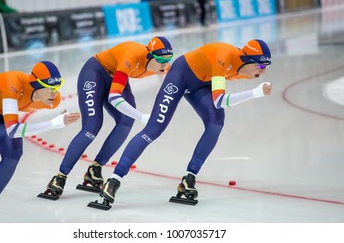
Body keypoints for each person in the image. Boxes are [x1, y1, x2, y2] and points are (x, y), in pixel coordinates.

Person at [95, 39, 273, 208]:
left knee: (215, 123)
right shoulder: (223, 57)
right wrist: (255, 93)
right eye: (260, 66)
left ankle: (189, 178)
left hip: (202, 83)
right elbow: (219, 101)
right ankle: (114, 180)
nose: (262, 71)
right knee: (153, 129)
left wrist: (255, 88)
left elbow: (217, 99)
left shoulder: (246, 72)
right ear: (246, 60)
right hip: (180, 76)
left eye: (266, 67)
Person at [40, 36, 174, 200]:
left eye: (168, 60)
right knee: (92, 128)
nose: (164, 65)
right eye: (161, 60)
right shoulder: (131, 57)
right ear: (149, 56)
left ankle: (95, 169)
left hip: (114, 76)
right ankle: (59, 177)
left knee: (126, 122)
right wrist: (142, 117)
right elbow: (114, 98)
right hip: (95, 72)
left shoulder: (164, 66)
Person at [0, 61, 81, 223]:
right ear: (35, 84)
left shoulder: (51, 101)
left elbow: (11, 132)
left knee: (14, 151)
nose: (54, 93)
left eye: (56, 87)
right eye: (49, 88)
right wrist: (54, 123)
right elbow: (13, 130)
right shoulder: (13, 82)